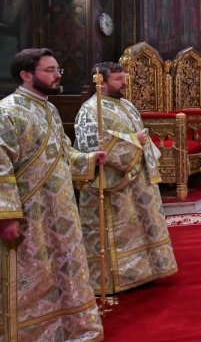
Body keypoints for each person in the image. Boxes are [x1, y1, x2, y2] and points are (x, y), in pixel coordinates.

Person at [0, 49, 107, 342]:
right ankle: (21, 340)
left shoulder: (48, 110)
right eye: (50, 70)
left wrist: (90, 160)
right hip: (25, 213)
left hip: (57, 212)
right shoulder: (3, 113)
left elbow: (62, 152)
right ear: (26, 74)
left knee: (58, 272)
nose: (58, 74)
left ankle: (61, 330)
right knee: (26, 278)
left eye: (58, 68)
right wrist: (4, 215)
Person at [74, 62, 178, 295]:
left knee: (143, 224)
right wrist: (134, 139)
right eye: (118, 79)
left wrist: (140, 142)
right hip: (114, 182)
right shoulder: (90, 110)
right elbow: (91, 144)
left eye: (124, 78)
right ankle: (117, 279)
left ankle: (146, 271)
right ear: (100, 83)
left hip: (138, 178)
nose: (124, 83)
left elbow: (139, 134)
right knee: (122, 230)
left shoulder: (126, 104)